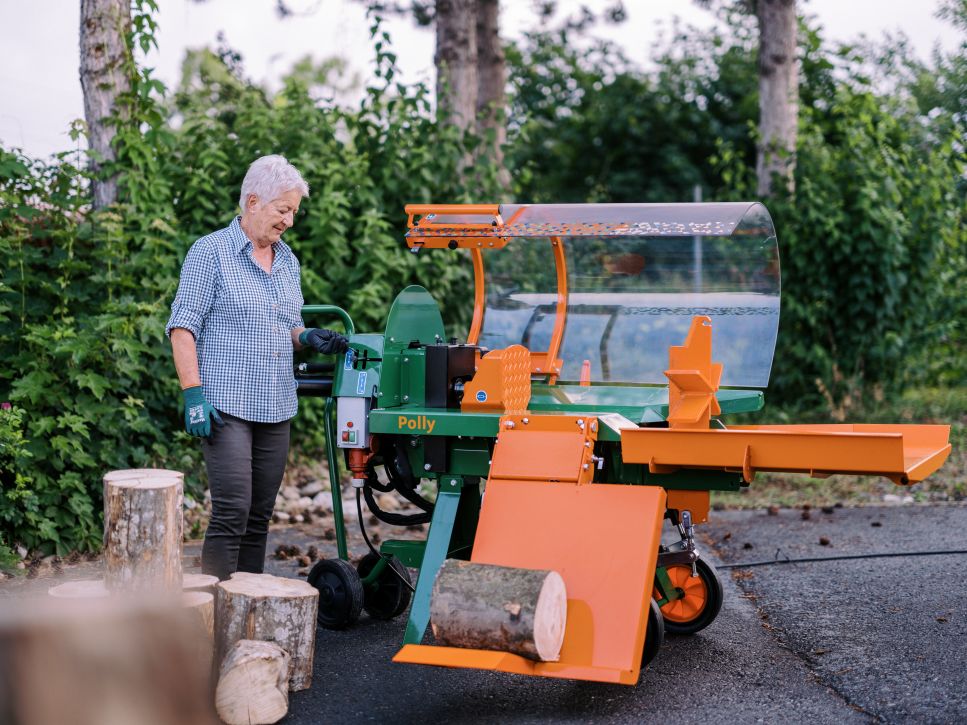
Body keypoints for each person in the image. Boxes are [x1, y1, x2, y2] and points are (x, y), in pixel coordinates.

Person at [166, 154, 348, 581]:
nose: (289, 221)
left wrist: (307, 337)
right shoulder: (210, 252)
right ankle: (211, 612)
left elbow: (286, 325)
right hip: (225, 404)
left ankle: (247, 606)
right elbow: (182, 328)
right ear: (252, 201)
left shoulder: (288, 261)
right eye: (282, 210)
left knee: (259, 517)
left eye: (293, 212)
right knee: (232, 512)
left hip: (275, 404)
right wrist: (193, 393)